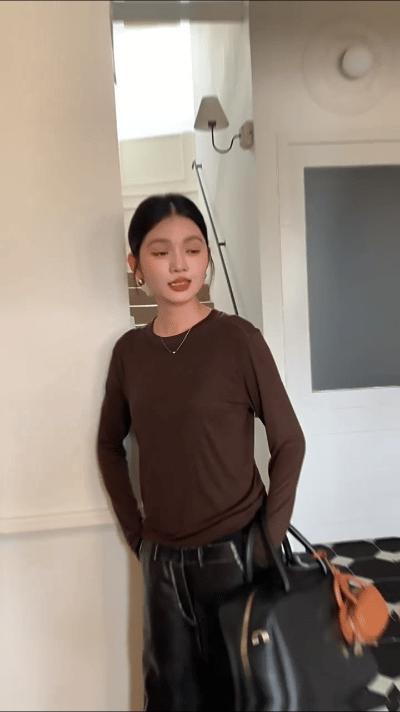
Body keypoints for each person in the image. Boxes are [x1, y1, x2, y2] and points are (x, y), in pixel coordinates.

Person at [96, 193, 306, 712]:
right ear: (135, 264)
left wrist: (267, 539)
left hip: (237, 557)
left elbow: (289, 441)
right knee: (170, 699)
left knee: (248, 697)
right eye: (160, 251)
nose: (179, 264)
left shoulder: (238, 340)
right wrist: (137, 534)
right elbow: (108, 445)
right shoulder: (129, 353)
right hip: (163, 568)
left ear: (207, 258)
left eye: (192, 249)